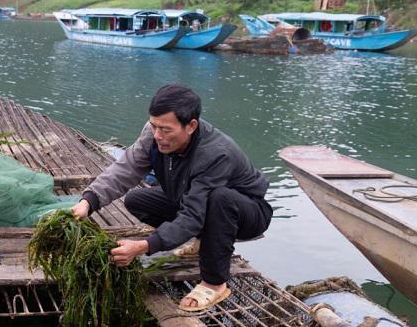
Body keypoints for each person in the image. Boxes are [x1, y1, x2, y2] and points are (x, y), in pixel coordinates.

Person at [72, 84, 272, 312]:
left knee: (220, 197)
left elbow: (192, 216)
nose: (157, 135)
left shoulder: (216, 153)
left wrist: (145, 246)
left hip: (247, 213)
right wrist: (88, 201)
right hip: (197, 201)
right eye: (154, 126)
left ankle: (215, 283)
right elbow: (125, 169)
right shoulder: (154, 134)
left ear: (191, 126)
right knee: (137, 200)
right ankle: (204, 241)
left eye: (165, 130)